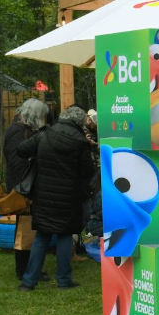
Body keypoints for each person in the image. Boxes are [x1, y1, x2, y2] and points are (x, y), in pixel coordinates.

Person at [15, 106, 95, 291]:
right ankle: (64, 280)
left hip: (43, 196)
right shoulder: (79, 141)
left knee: (42, 237)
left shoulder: (45, 134)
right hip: (69, 197)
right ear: (79, 122)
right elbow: (88, 172)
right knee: (65, 237)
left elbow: (21, 150)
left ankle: (28, 282)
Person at [4, 98, 49, 281]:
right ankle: (24, 271)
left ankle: (29, 268)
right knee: (24, 230)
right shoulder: (17, 131)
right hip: (22, 189)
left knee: (27, 229)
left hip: (23, 187)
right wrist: (26, 192)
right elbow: (17, 163)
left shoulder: (21, 130)